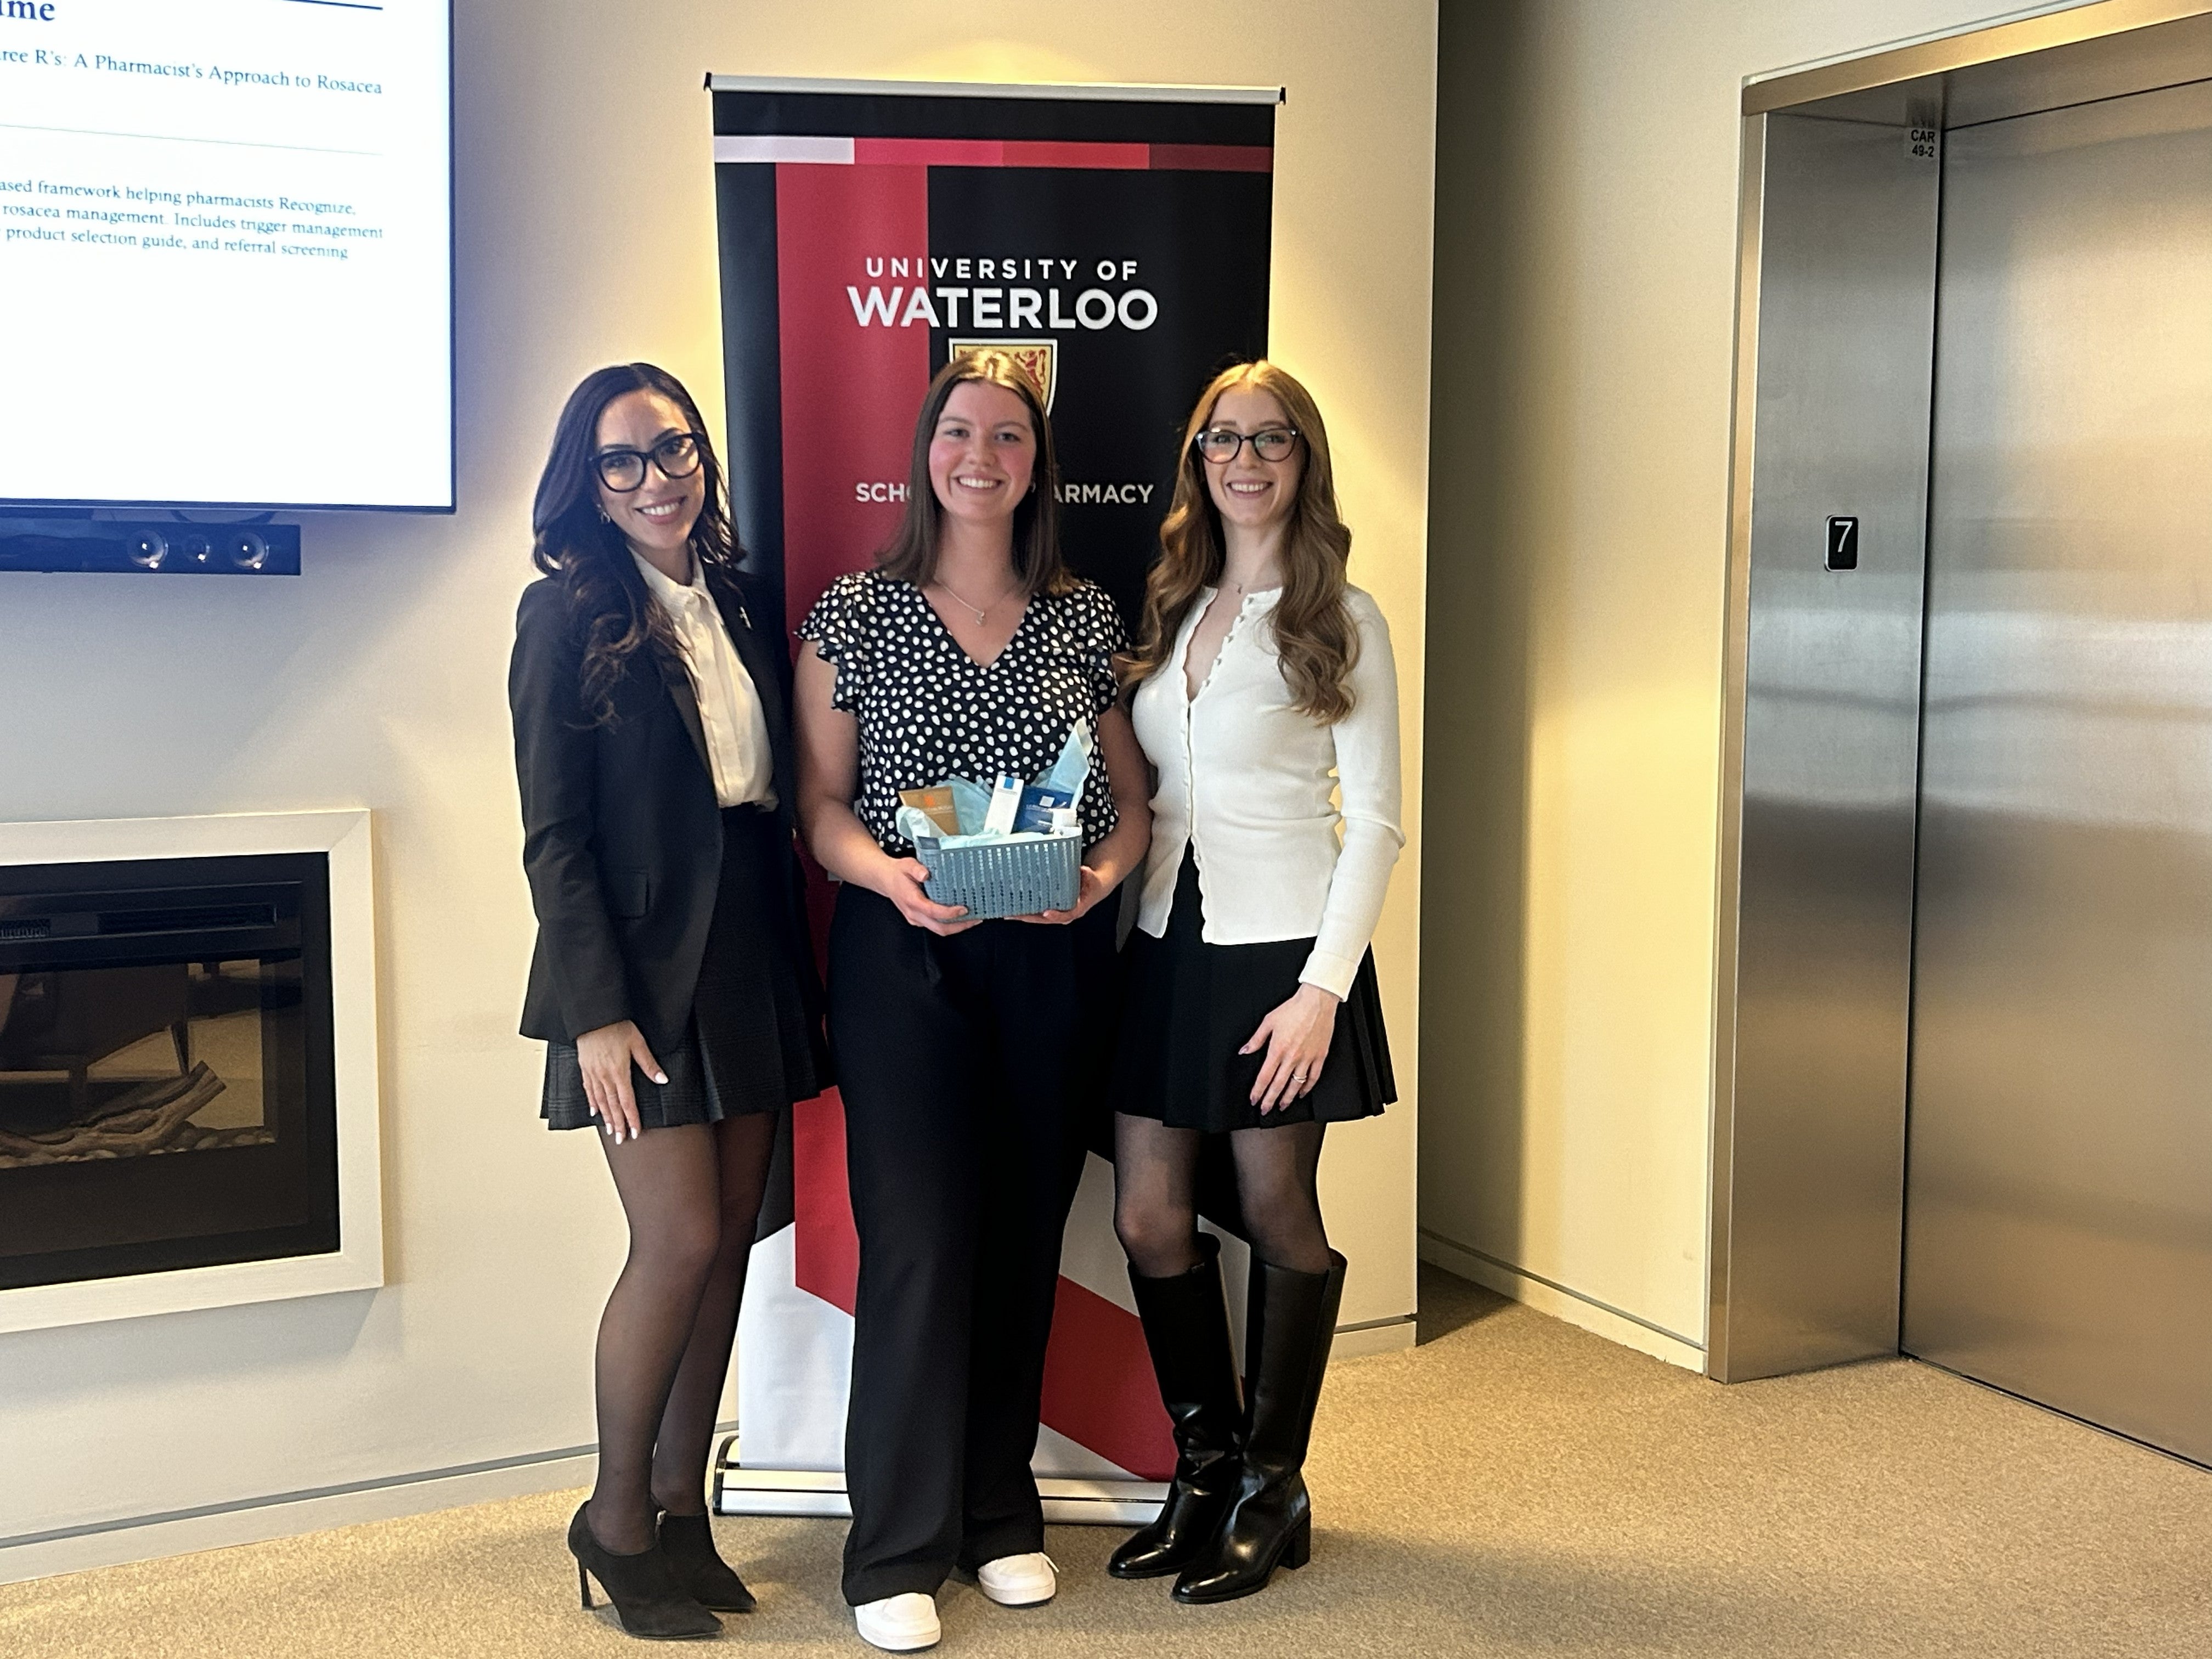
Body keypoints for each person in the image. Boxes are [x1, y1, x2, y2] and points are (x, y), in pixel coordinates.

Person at [793, 350, 1152, 1653]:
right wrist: (887, 877)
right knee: (921, 1244)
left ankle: (999, 1515)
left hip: (1051, 959)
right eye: (959, 430)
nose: (982, 455)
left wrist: (1099, 879)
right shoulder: (855, 613)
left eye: (1009, 434)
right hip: (908, 962)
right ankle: (892, 1543)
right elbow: (820, 807)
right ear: (924, 452)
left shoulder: (1086, 619)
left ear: (1038, 464)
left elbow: (1131, 806)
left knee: (1019, 1241)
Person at [511, 363, 829, 1640]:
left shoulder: (743, 596)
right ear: (587, 485)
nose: (657, 479)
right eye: (624, 461)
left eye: (676, 449)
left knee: (736, 1232)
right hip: (636, 976)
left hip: (752, 942)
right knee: (677, 1241)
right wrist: (594, 1013)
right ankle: (615, 1517)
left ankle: (683, 1511)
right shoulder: (564, 615)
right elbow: (553, 836)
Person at [1107, 360, 1401, 1604]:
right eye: (1224, 438)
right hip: (1165, 944)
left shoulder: (1345, 616)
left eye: (1272, 439)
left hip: (1284, 959)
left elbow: (1376, 822)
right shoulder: (1171, 604)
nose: (1246, 459)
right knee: (1148, 1218)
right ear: (1198, 459)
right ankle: (1204, 1469)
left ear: (1305, 458)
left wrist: (1324, 991)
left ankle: (1274, 1488)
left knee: (1280, 1213)